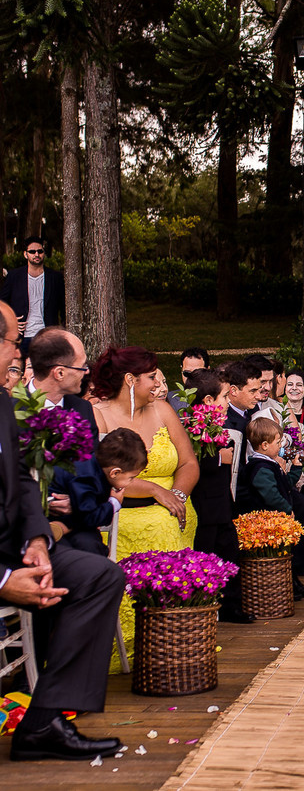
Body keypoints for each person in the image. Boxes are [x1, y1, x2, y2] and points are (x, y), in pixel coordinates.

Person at [0, 301, 125, 762]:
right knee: (69, 575)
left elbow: (89, 477)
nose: (17, 357)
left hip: (61, 528)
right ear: (57, 372)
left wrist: (41, 536)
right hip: (12, 546)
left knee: (98, 571)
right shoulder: (14, 408)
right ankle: (42, 706)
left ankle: (47, 714)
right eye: (13, 344)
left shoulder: (76, 409)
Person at [91, 346, 200, 667]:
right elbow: (107, 476)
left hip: (175, 507)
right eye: (151, 376)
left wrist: (177, 496)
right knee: (158, 523)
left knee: (170, 521)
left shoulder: (162, 410)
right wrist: (153, 489)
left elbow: (189, 462)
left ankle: (172, 636)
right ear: (130, 379)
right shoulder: (98, 414)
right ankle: (130, 641)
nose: (157, 383)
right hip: (123, 511)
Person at [186, 369, 253, 623]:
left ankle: (230, 605)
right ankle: (205, 606)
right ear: (207, 402)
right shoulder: (192, 424)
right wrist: (218, 459)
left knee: (229, 553)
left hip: (222, 502)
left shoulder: (217, 423)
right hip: (204, 506)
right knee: (206, 555)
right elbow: (189, 462)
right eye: (224, 397)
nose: (227, 402)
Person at [236, 417, 304, 600]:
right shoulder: (260, 468)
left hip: (279, 518)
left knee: (288, 551)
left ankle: (293, 580)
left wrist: (295, 469)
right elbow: (270, 493)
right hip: (268, 521)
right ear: (265, 445)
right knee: (278, 553)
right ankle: (285, 584)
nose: (282, 445)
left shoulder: (271, 464)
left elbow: (284, 485)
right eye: (278, 442)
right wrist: (286, 507)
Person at [46, 428, 146, 558]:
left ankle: (63, 528)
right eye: (131, 478)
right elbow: (90, 516)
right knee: (91, 549)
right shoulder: (86, 479)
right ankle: (61, 527)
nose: (131, 482)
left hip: (75, 514)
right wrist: (114, 504)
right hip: (53, 512)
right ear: (115, 472)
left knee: (92, 544)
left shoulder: (94, 465)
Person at [0, 237, 65, 354]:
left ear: (44, 253)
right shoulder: (14, 277)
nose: (37, 254)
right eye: (32, 252)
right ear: (25, 254)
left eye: (40, 251)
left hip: (47, 336)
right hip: (21, 337)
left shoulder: (55, 277)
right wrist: (11, 322)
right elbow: (2, 304)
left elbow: (63, 307)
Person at [168, 346, 210, 411]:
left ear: (208, 370)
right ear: (181, 369)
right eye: (187, 373)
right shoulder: (169, 399)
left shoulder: (218, 396)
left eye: (197, 373)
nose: (192, 377)